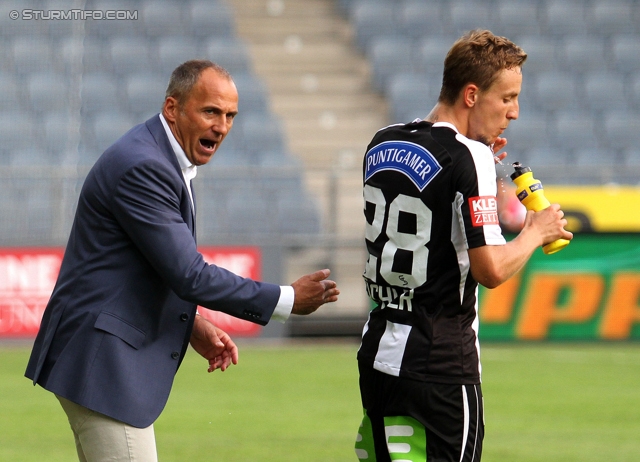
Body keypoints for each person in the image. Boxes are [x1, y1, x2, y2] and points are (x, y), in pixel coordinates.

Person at [25, 59, 340, 461]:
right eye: (210, 111)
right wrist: (287, 299)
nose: (222, 126)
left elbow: (143, 266)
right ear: (172, 108)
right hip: (102, 365)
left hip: (98, 359)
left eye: (230, 116)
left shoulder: (159, 157)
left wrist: (191, 323)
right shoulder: (144, 165)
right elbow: (189, 274)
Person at [354, 30, 572, 461]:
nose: (515, 112)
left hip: (379, 352)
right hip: (440, 366)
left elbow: (430, 202)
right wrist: (534, 233)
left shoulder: (384, 139)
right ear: (472, 95)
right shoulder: (467, 156)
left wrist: (480, 169)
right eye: (507, 98)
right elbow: (490, 270)